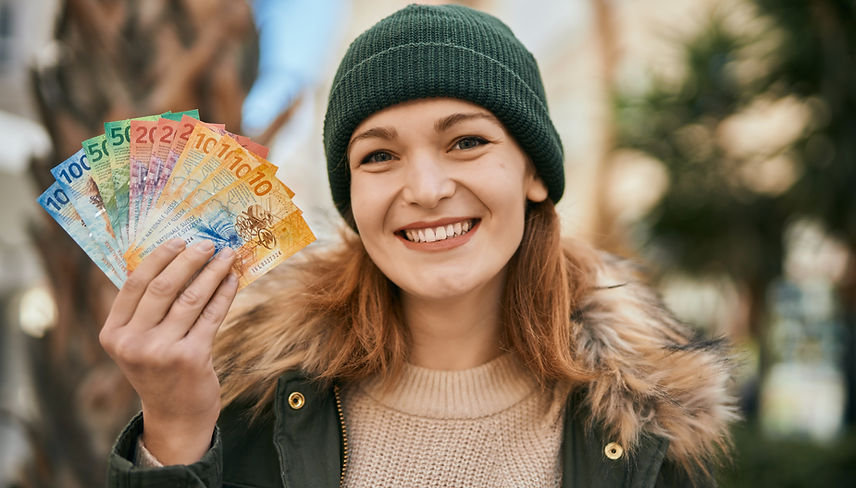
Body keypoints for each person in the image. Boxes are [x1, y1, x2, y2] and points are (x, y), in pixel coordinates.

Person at [100, 4, 737, 487]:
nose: (427, 189)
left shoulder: (646, 428)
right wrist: (174, 428)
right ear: (352, 202)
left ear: (535, 174)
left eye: (467, 141)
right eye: (379, 155)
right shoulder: (250, 404)